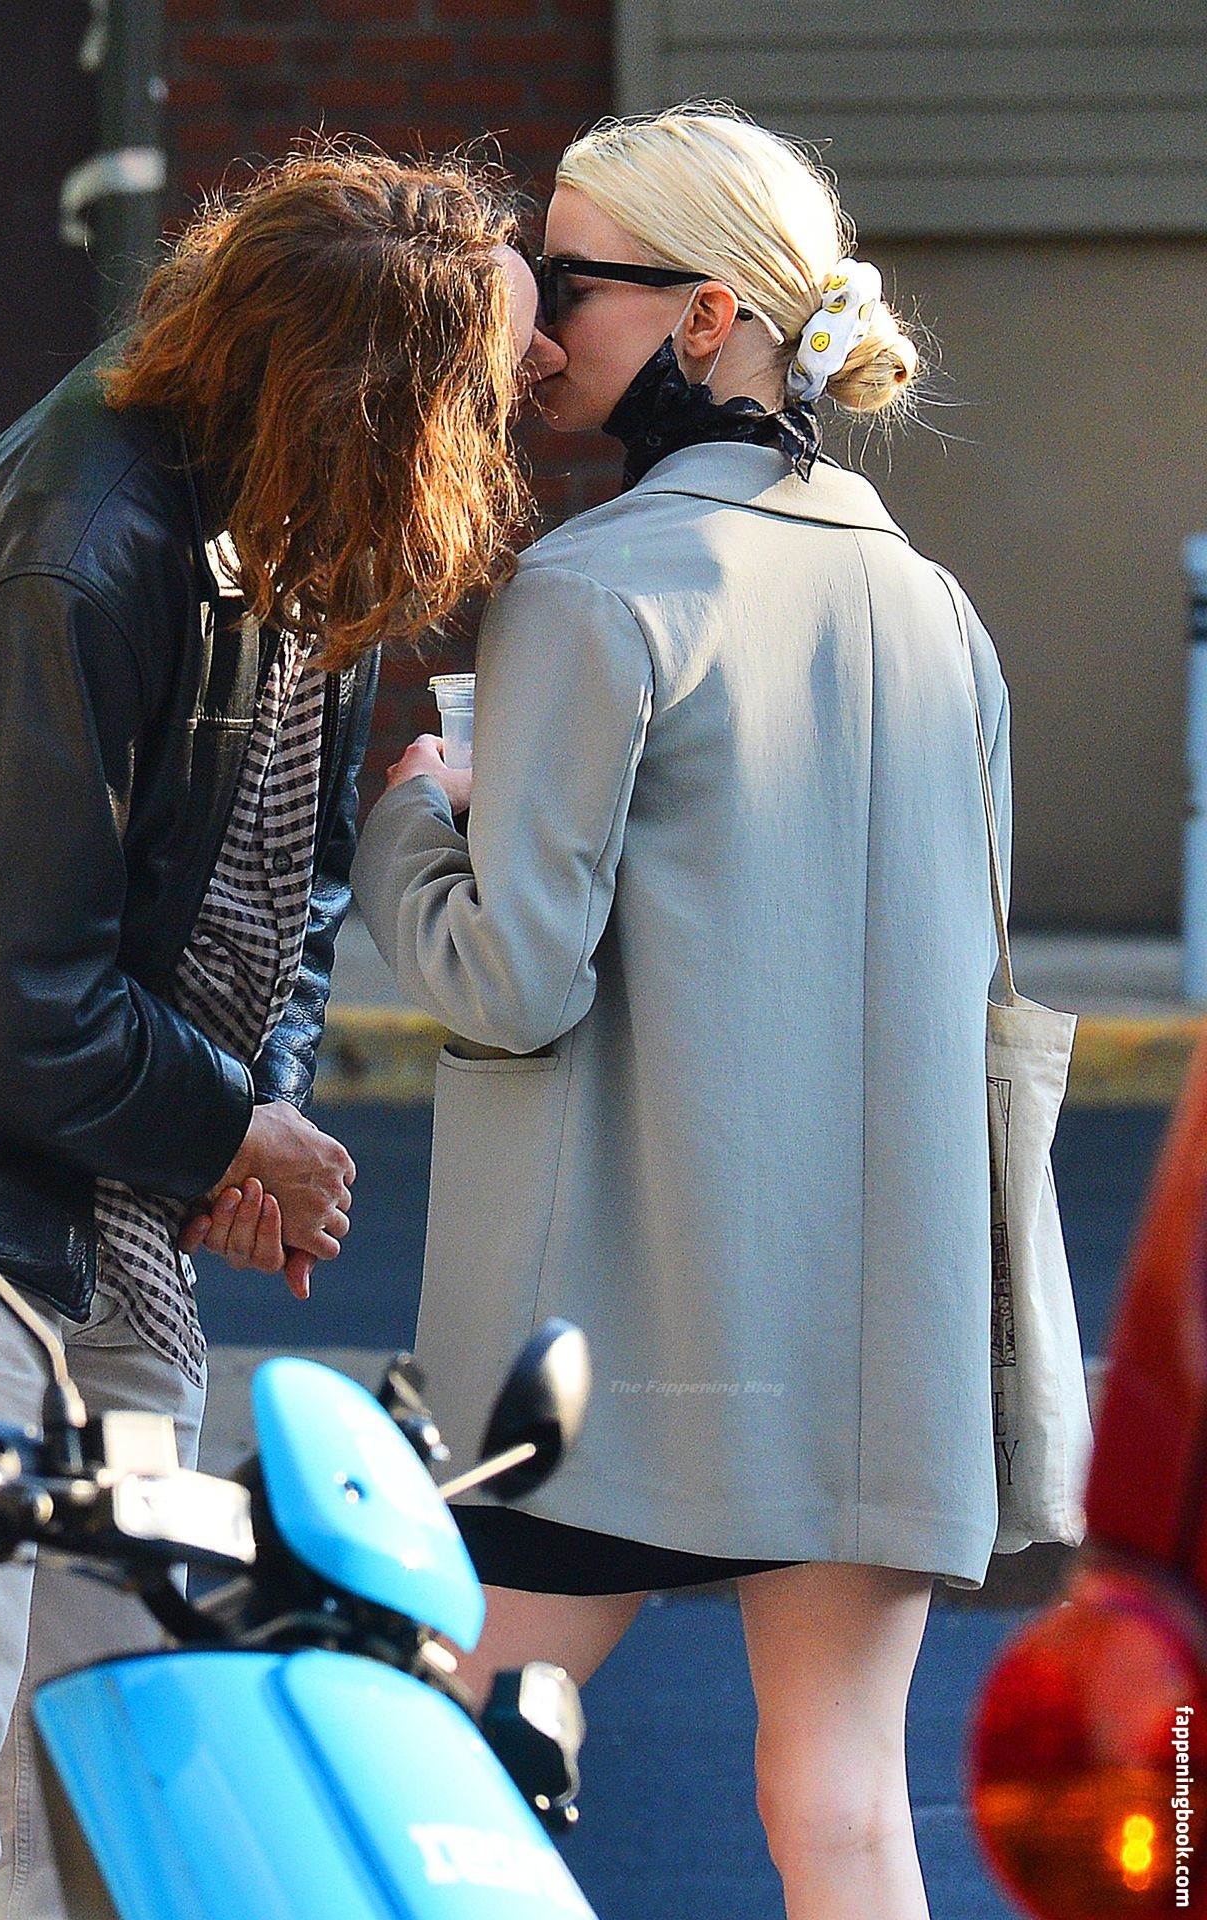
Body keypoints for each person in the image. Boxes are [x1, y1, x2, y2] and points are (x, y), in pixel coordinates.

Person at [0, 148, 549, 1917]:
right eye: (496, 379)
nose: (526, 399)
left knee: (116, 1773)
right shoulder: (77, 555)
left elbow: (291, 890)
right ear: (381, 393)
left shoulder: (296, 515)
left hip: (103, 1193)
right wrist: (232, 1136)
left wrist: (249, 1123)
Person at [352, 105, 1010, 1920]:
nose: (531, 328)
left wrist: (410, 816)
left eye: (568, 282)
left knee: (442, 1776)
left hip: (613, 1346)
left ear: (708, 314)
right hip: (879, 1335)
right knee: (844, 1808)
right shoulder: (937, 612)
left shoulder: (592, 588)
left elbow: (510, 982)